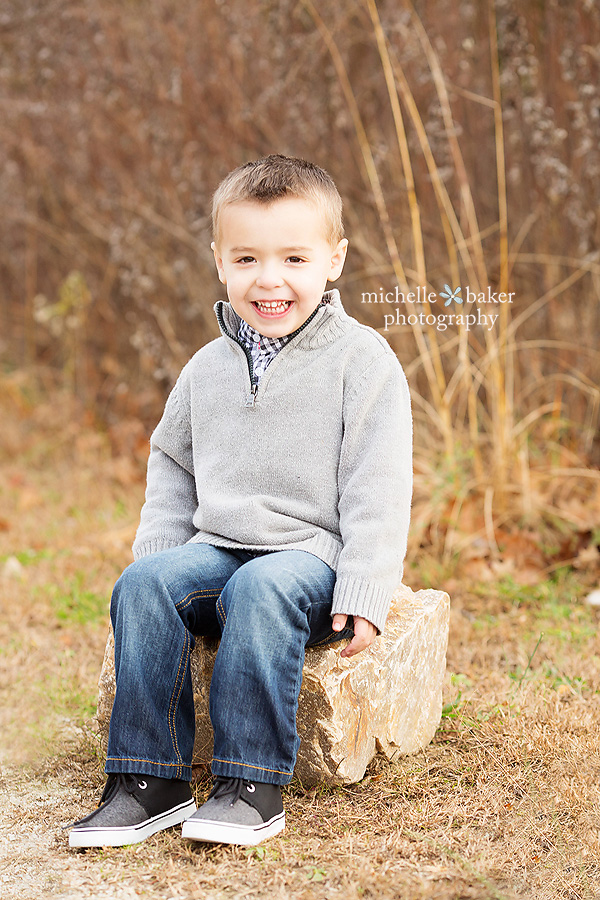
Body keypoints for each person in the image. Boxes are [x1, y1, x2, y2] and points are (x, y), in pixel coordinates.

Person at [68, 154, 413, 849]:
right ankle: (147, 782)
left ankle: (249, 785)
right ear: (221, 261)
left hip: (307, 561)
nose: (270, 278)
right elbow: (171, 462)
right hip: (215, 550)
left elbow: (378, 481)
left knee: (263, 582)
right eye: (248, 258)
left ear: (334, 259)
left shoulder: (362, 360)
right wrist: (164, 562)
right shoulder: (206, 368)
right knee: (142, 583)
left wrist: (367, 588)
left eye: (293, 256)